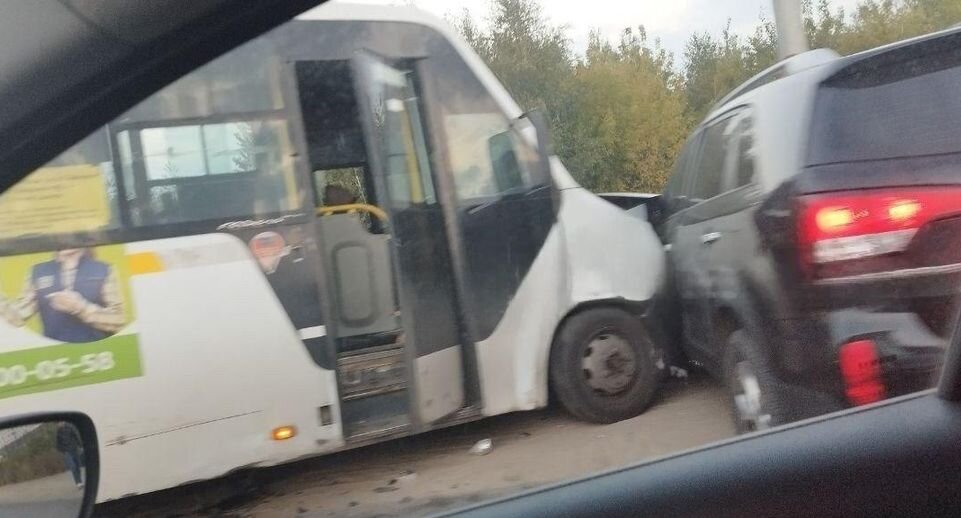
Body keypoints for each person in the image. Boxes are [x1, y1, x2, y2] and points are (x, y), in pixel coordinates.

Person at [0, 248, 124, 342]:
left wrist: (81, 308)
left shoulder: (103, 269)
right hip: (55, 353)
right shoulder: (38, 272)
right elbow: (17, 318)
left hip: (96, 350)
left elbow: (118, 321)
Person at [55, 423, 84, 489]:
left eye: (61, 422)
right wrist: (63, 451)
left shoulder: (70, 427)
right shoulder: (58, 433)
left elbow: (76, 436)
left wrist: (80, 446)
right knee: (73, 467)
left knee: (77, 466)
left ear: (63, 422)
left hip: (74, 449)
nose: (59, 424)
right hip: (67, 452)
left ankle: (80, 481)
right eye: (58, 423)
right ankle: (78, 483)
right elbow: (57, 444)